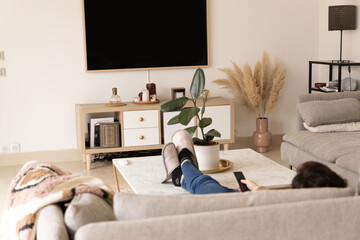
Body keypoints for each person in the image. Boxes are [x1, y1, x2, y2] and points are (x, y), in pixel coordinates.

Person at [161, 130, 347, 194]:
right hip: (253, 197)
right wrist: (258, 190)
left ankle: (184, 165)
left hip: (236, 204)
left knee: (207, 186)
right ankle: (183, 168)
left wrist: (258, 193)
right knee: (227, 189)